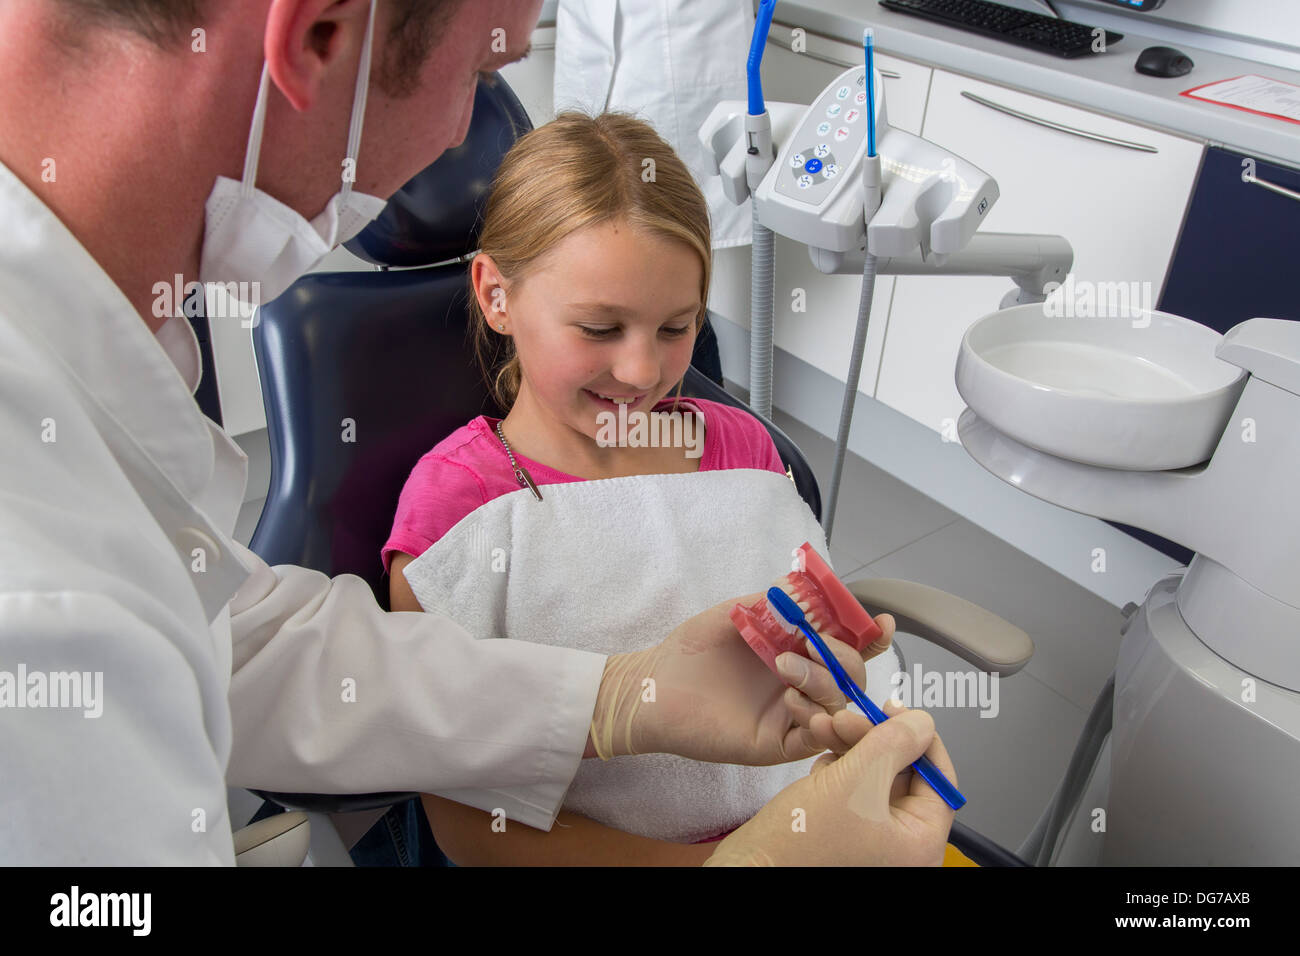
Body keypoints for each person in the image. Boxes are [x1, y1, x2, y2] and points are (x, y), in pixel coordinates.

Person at [0, 0, 956, 866]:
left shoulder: (77, 383)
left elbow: (240, 643)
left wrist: (627, 695)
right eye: (480, 71)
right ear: (320, 35)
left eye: (671, 326)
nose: (469, 135)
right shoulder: (47, 607)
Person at [384, 111, 902, 864]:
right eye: (599, 329)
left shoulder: (745, 449)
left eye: (676, 328)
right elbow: (471, 827)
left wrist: (847, 700)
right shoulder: (461, 510)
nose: (640, 373)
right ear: (496, 295)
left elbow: (813, 657)